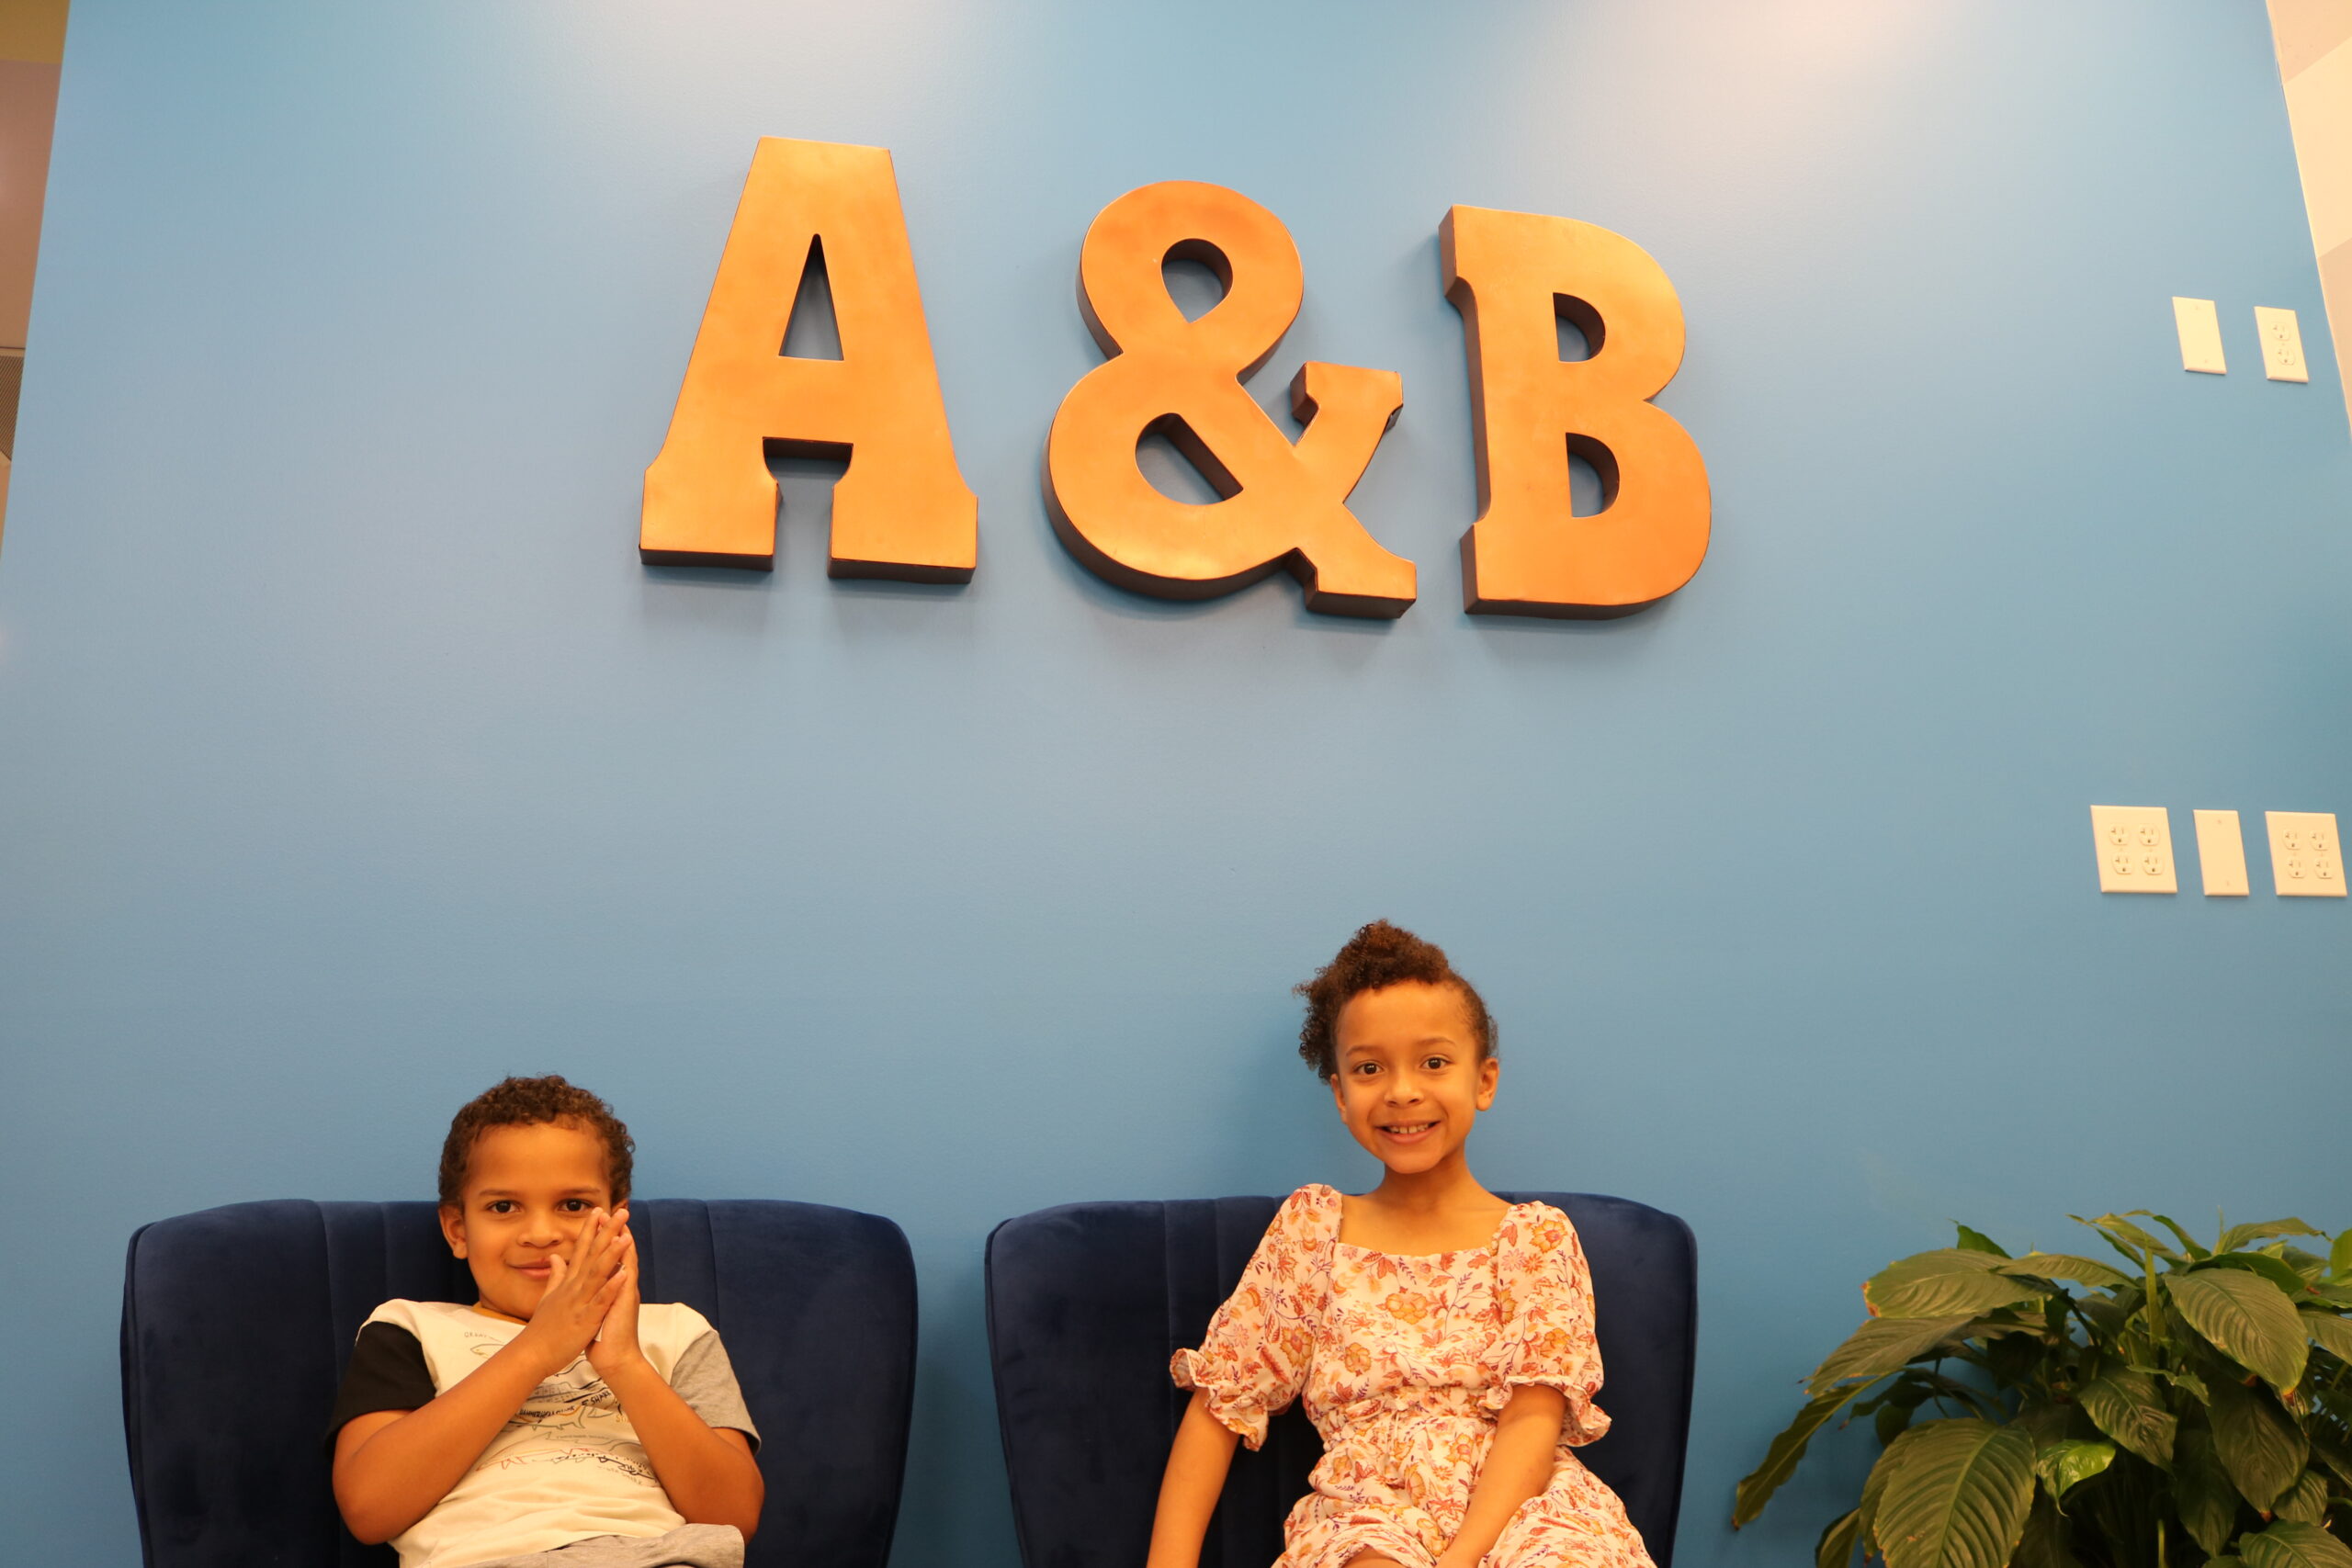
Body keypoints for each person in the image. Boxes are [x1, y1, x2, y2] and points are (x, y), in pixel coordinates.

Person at [1149, 922, 1654, 1568]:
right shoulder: (1312, 1230)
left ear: (1485, 1079)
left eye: (1434, 1062)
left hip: (1528, 1504)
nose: (1403, 1090)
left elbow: (1533, 1418)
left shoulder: (1536, 1236)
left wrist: (1462, 1557)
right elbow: (1221, 1401)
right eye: (1369, 1068)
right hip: (1368, 1509)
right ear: (1340, 1093)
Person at [328, 1076, 765, 1568]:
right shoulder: (409, 1327)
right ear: (457, 1230)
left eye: (573, 1205)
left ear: (617, 1223)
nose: (540, 1233)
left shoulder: (678, 1332)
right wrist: (539, 1348)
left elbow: (733, 1516)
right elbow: (370, 1508)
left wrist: (623, 1361)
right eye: (503, 1207)